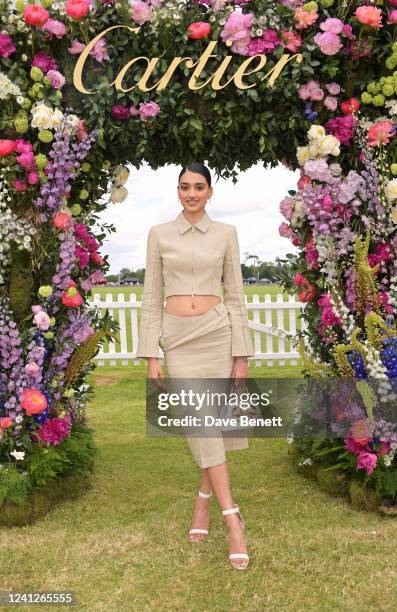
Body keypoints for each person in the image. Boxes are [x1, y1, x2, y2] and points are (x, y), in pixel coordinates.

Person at [136, 162, 255, 570]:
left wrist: (241, 355)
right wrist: (151, 354)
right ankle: (232, 518)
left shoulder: (226, 234)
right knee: (202, 423)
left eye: (198, 187)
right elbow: (151, 297)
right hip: (179, 341)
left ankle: (205, 503)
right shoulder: (158, 235)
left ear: (210, 192)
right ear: (177, 191)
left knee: (217, 424)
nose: (191, 193)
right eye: (184, 187)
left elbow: (236, 296)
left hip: (218, 335)